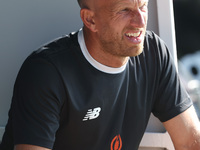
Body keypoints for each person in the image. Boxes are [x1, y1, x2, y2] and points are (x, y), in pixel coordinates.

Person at [1, 0, 200, 149]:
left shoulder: (154, 52)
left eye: (143, 6)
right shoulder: (45, 73)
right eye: (124, 10)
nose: (140, 21)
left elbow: (191, 141)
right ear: (90, 19)